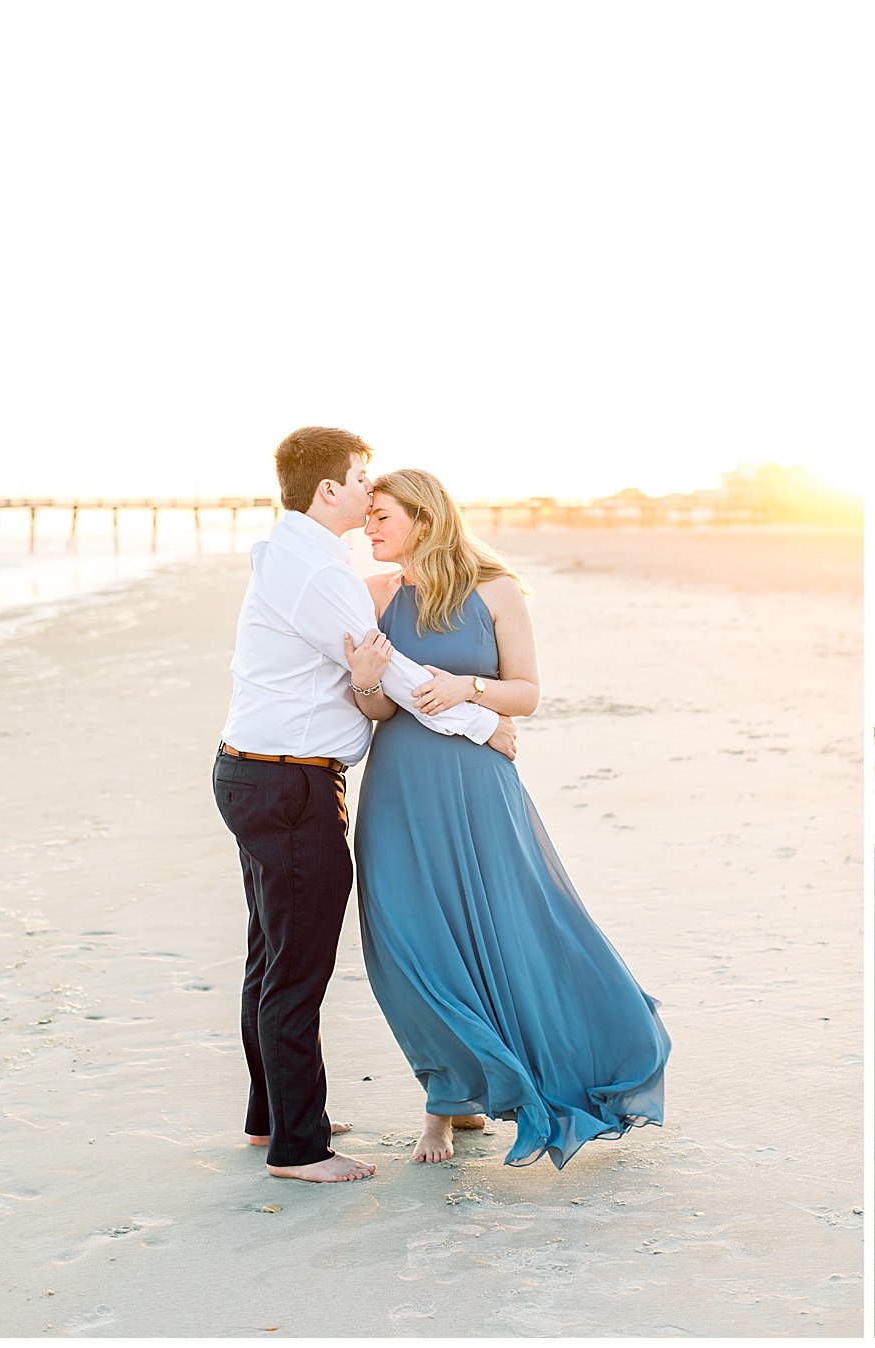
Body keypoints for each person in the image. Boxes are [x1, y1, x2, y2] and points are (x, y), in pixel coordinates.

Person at [213, 426, 518, 1184]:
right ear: (328, 491)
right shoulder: (324, 576)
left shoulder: (296, 554)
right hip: (287, 782)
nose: (366, 492)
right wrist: (485, 720)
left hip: (260, 773)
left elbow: (379, 679)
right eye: (358, 479)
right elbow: (408, 677)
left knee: (270, 957)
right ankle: (299, 1148)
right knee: (296, 968)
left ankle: (273, 1116)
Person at [345, 467, 670, 1168]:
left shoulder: (495, 591)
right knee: (413, 947)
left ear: (424, 521)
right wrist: (368, 684)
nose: (366, 528)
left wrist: (469, 689)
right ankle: (448, 1097)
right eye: (367, 516)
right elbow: (376, 710)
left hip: (478, 788)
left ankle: (472, 1095)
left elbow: (527, 693)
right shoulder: (373, 597)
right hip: (399, 787)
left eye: (381, 517)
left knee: (507, 929)